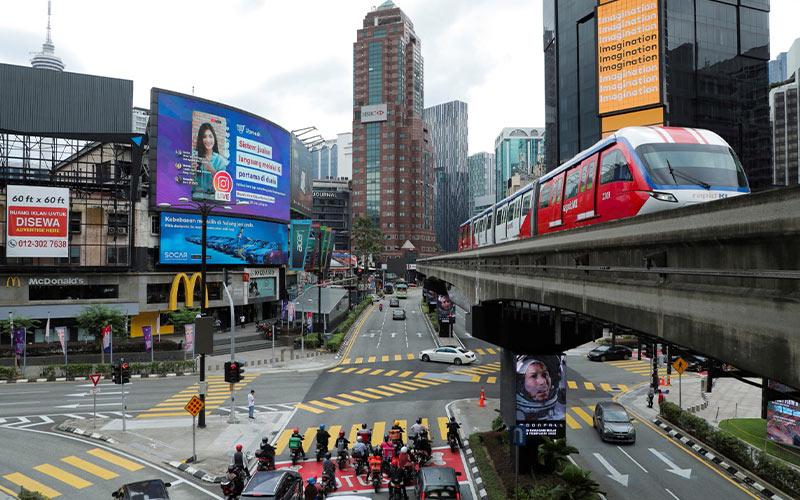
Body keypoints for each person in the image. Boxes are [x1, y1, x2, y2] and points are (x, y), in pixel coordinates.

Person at [516, 356, 566, 422]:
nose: (543, 381)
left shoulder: (560, 409)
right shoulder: (514, 413)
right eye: (533, 376)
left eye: (545, 374)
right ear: (521, 383)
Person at [192, 122, 229, 200]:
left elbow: (224, 189)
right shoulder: (194, 156)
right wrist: (192, 172)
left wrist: (212, 170)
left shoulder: (220, 161)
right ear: (201, 139)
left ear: (214, 138)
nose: (208, 140)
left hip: (214, 203)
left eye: (210, 136)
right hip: (195, 200)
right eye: (204, 137)